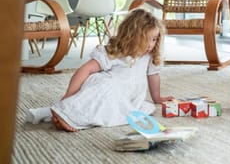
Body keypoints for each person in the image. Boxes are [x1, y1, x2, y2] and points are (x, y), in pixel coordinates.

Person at [27, 8, 174, 132]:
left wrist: (157, 98)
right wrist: (69, 96)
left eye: (154, 39)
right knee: (103, 94)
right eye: (146, 40)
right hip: (105, 86)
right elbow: (84, 70)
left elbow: (153, 74)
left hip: (128, 97)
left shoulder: (149, 55)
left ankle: (60, 114)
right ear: (131, 37)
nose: (150, 45)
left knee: (109, 111)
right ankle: (65, 113)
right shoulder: (115, 52)